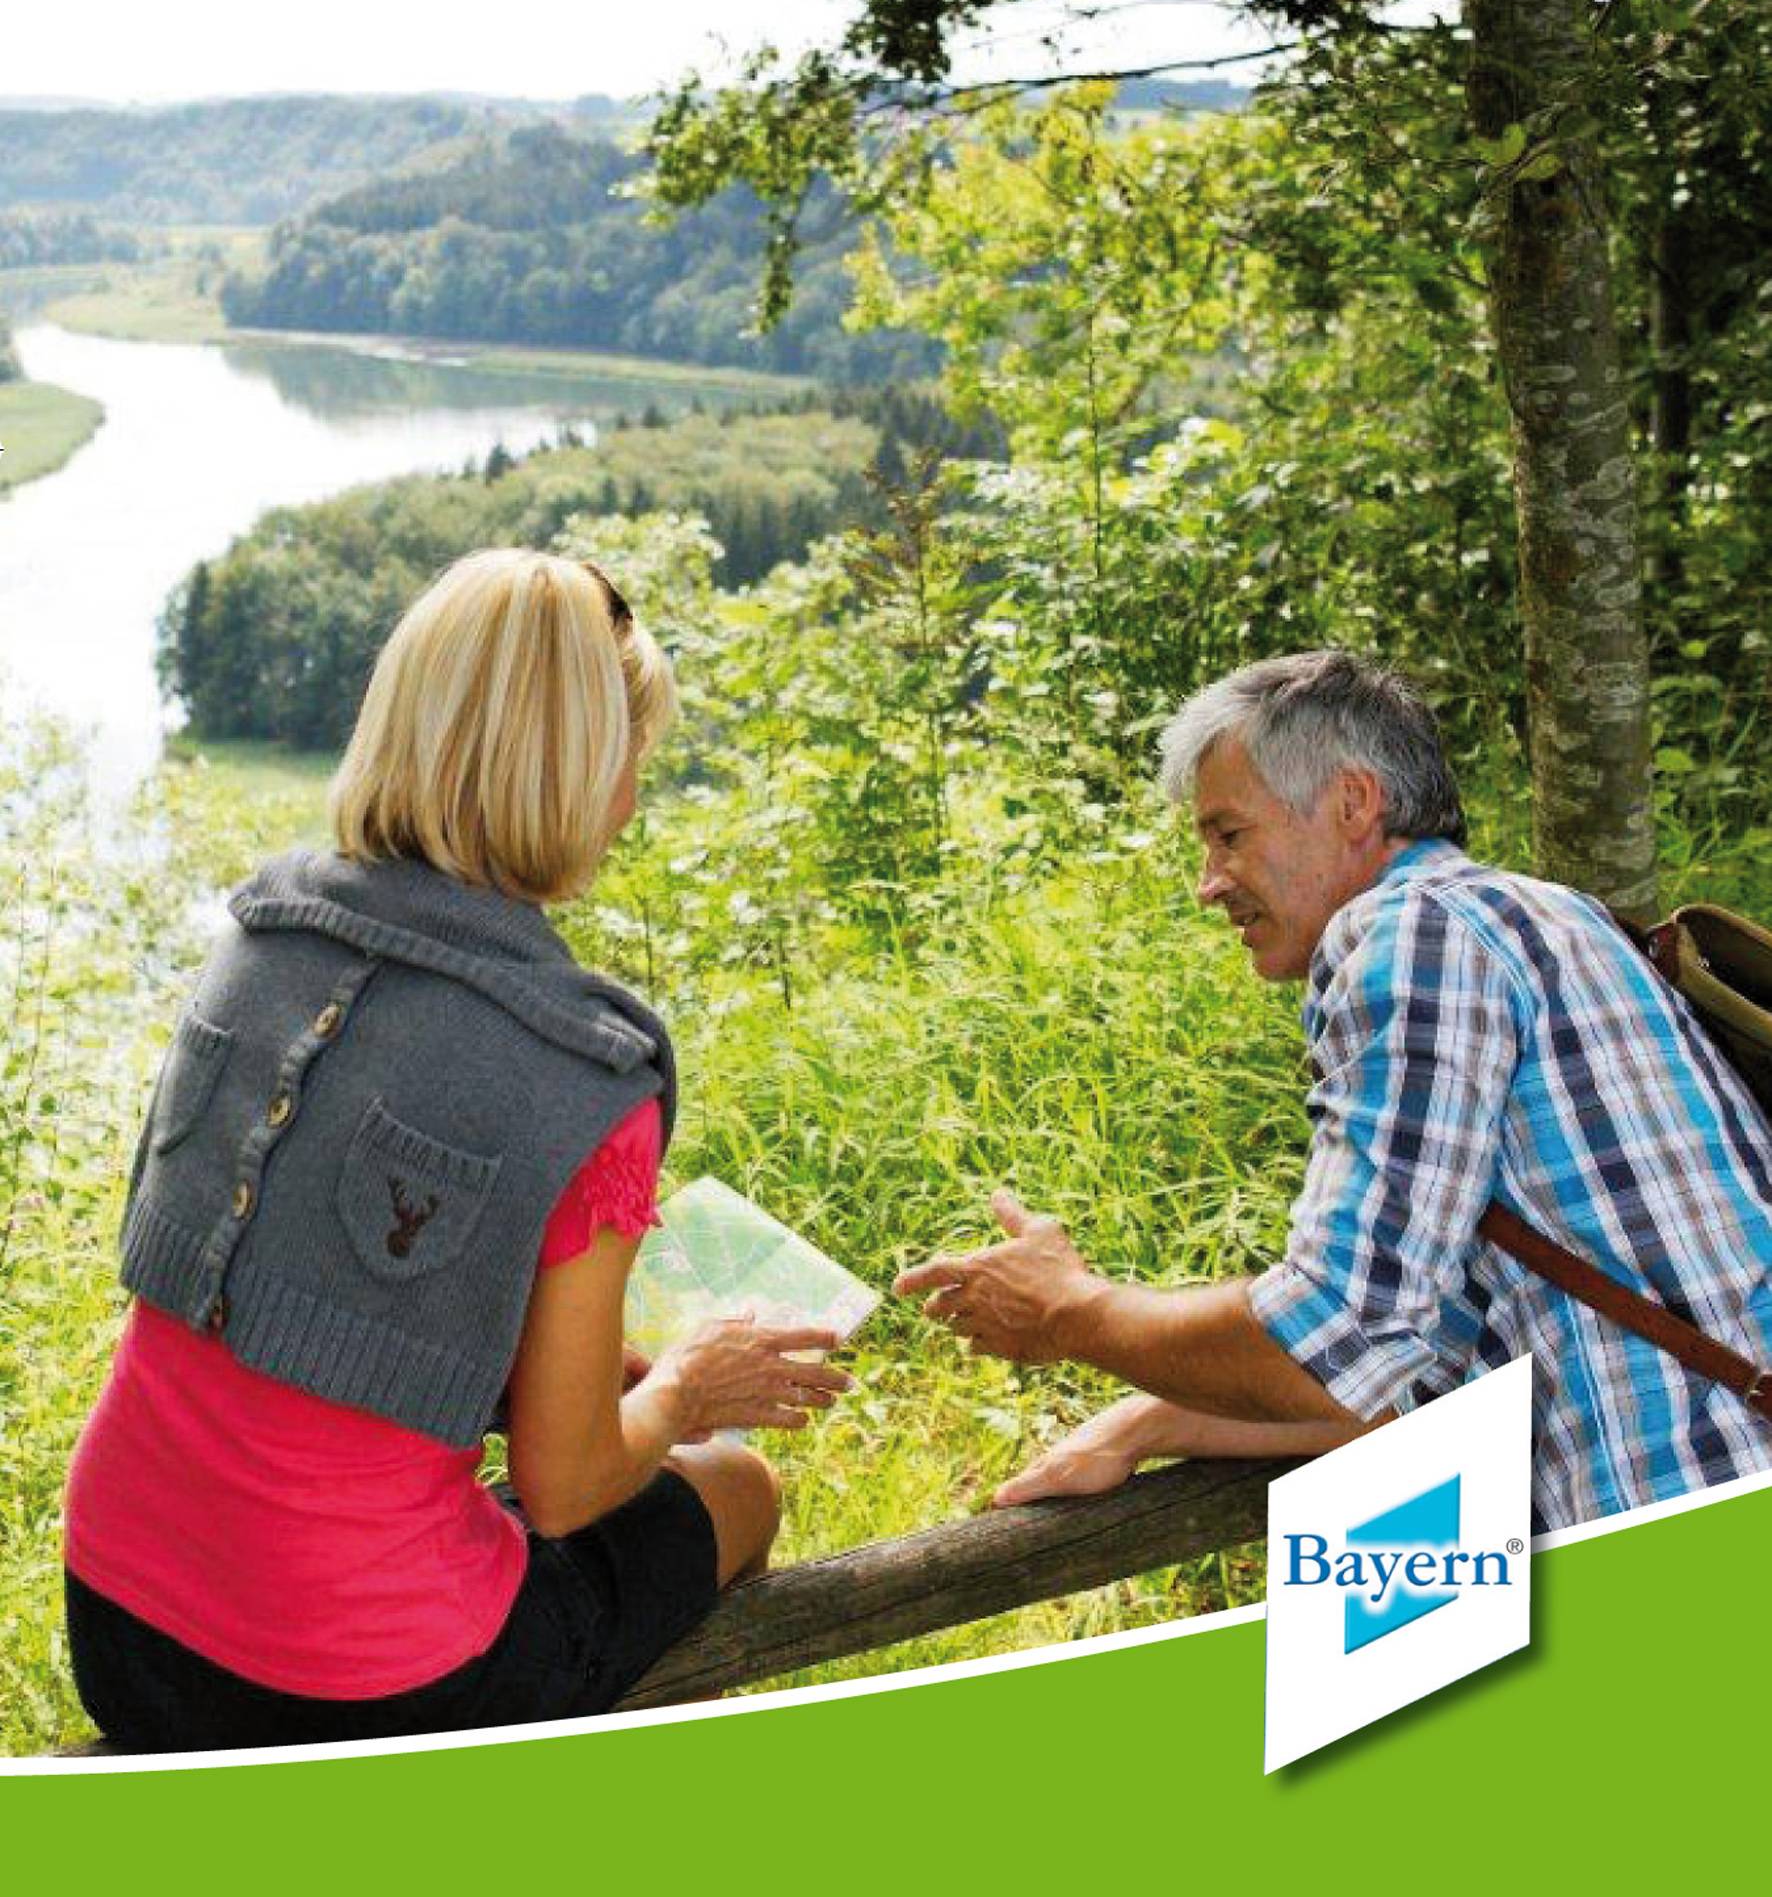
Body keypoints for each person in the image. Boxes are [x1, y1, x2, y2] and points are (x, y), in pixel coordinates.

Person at [64, 548, 849, 1752]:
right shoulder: (584, 1074)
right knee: (734, 1486)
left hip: (118, 1617)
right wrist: (690, 1386)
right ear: (580, 771)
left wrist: (606, 1371)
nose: (633, 797)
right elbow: (567, 1483)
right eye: (629, 757)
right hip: (355, 1684)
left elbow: (322, 1281)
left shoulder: (260, 939)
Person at [899, 648, 1772, 1531]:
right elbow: (1407, 1360)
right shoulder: (1552, 913)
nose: (1208, 884)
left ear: (1354, 803)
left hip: (1689, 1522)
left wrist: (1068, 1314)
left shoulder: (1407, 934)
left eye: (1228, 834)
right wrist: (1155, 1420)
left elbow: (1336, 1328)